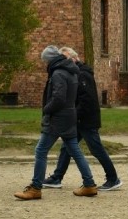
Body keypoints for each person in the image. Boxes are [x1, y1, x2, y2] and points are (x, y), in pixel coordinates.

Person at [15, 46, 98, 200]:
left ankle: (35, 187)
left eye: (44, 60)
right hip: (70, 116)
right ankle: (89, 184)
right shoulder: (71, 71)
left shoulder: (58, 73)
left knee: (41, 150)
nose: (44, 64)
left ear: (49, 60)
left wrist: (47, 109)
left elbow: (58, 98)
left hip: (57, 118)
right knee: (75, 150)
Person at [42, 47, 121, 191]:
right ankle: (57, 177)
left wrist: (74, 114)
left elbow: (87, 100)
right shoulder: (77, 73)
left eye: (65, 59)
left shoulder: (83, 75)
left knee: (96, 149)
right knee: (66, 148)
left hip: (86, 120)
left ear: (73, 58)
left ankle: (113, 178)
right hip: (78, 120)